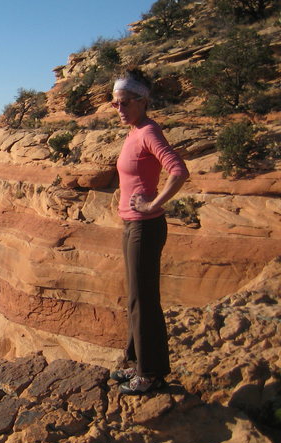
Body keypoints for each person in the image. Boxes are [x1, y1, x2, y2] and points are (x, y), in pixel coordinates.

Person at [108, 69, 189, 395]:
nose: (119, 108)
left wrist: (153, 203)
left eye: (125, 102)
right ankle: (134, 362)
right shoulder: (133, 131)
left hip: (145, 226)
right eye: (115, 103)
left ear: (142, 101)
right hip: (131, 223)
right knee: (134, 298)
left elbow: (179, 171)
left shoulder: (149, 132)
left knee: (145, 300)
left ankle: (151, 372)